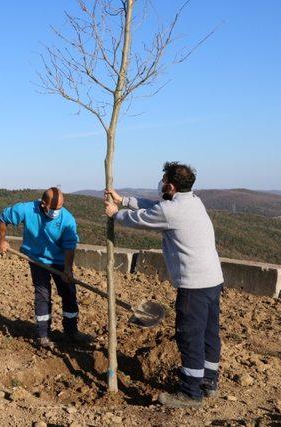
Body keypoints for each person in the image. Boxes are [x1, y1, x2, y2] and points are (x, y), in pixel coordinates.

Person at [104, 162, 223, 408]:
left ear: (170, 185)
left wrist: (116, 213)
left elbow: (141, 219)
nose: (160, 185)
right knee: (209, 332)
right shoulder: (193, 201)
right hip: (213, 280)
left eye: (163, 181)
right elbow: (157, 207)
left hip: (193, 284)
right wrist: (124, 199)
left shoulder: (172, 211)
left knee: (189, 336)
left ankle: (191, 392)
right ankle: (209, 381)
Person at [0, 187, 92, 349]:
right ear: (43, 204)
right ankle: (43, 335)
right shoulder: (27, 209)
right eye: (54, 208)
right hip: (37, 259)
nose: (57, 211)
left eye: (60, 207)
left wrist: (67, 269)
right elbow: (4, 217)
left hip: (60, 261)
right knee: (42, 294)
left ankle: (71, 331)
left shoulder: (67, 220)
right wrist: (1, 240)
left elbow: (70, 246)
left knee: (69, 293)